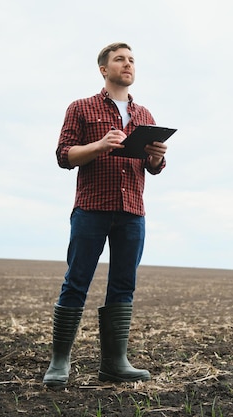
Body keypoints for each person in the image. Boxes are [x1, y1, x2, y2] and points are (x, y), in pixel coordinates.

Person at [43, 42, 167, 387]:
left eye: (131, 60)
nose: (127, 65)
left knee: (123, 285)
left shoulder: (144, 116)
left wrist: (156, 156)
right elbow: (64, 155)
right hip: (92, 208)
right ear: (104, 69)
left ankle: (114, 364)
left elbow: (154, 168)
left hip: (132, 212)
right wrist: (99, 146)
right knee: (76, 281)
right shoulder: (81, 107)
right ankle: (59, 363)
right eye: (119, 60)